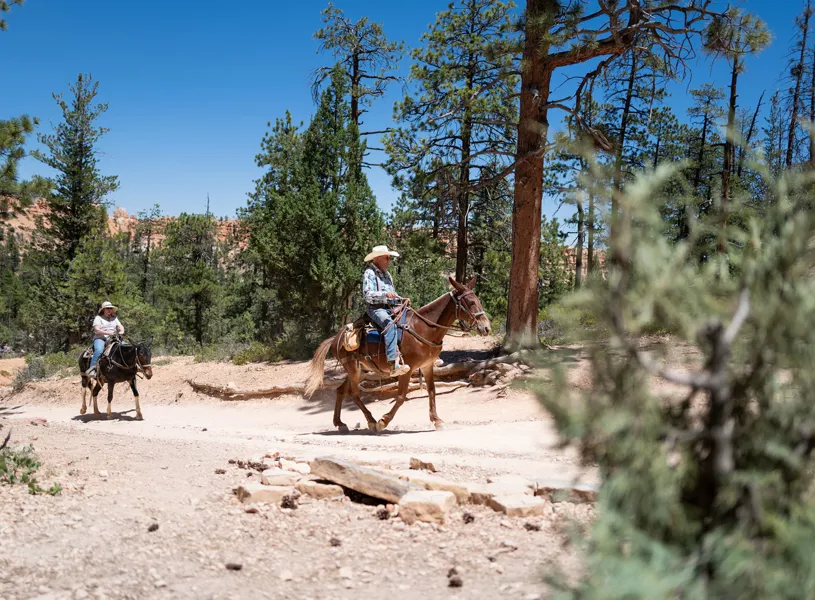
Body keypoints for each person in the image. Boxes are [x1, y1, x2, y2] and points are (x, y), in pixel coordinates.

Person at [363, 245, 411, 376]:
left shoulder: (388, 275)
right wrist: (384, 296)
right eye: (387, 258)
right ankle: (392, 363)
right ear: (377, 258)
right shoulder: (370, 273)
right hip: (376, 309)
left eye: (389, 258)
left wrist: (402, 299)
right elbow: (367, 295)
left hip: (390, 308)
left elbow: (393, 295)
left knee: (410, 320)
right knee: (390, 325)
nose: (389, 261)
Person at [86, 301, 125, 377]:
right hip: (100, 338)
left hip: (113, 338)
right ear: (103, 310)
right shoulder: (98, 318)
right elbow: (97, 330)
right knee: (99, 350)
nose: (109, 310)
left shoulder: (114, 318)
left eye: (110, 308)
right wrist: (109, 333)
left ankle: (131, 366)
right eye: (107, 308)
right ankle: (92, 369)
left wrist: (122, 331)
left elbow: (120, 326)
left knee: (126, 347)